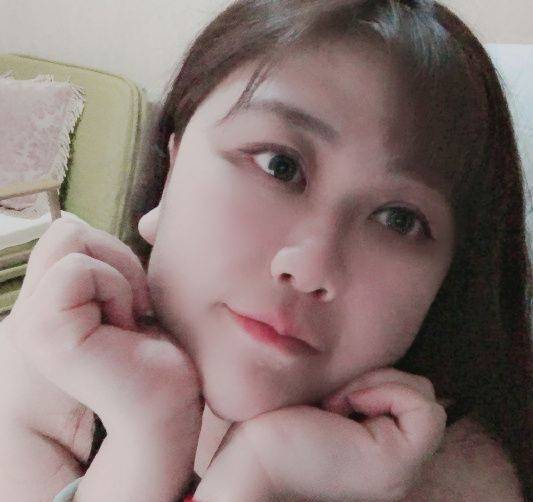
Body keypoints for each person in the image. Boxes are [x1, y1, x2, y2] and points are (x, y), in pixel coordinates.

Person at [0, 0, 530, 500]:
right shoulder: (53, 364)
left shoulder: (454, 475)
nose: (309, 267)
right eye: (279, 166)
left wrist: (258, 475)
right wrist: (148, 439)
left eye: (398, 220)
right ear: (172, 169)